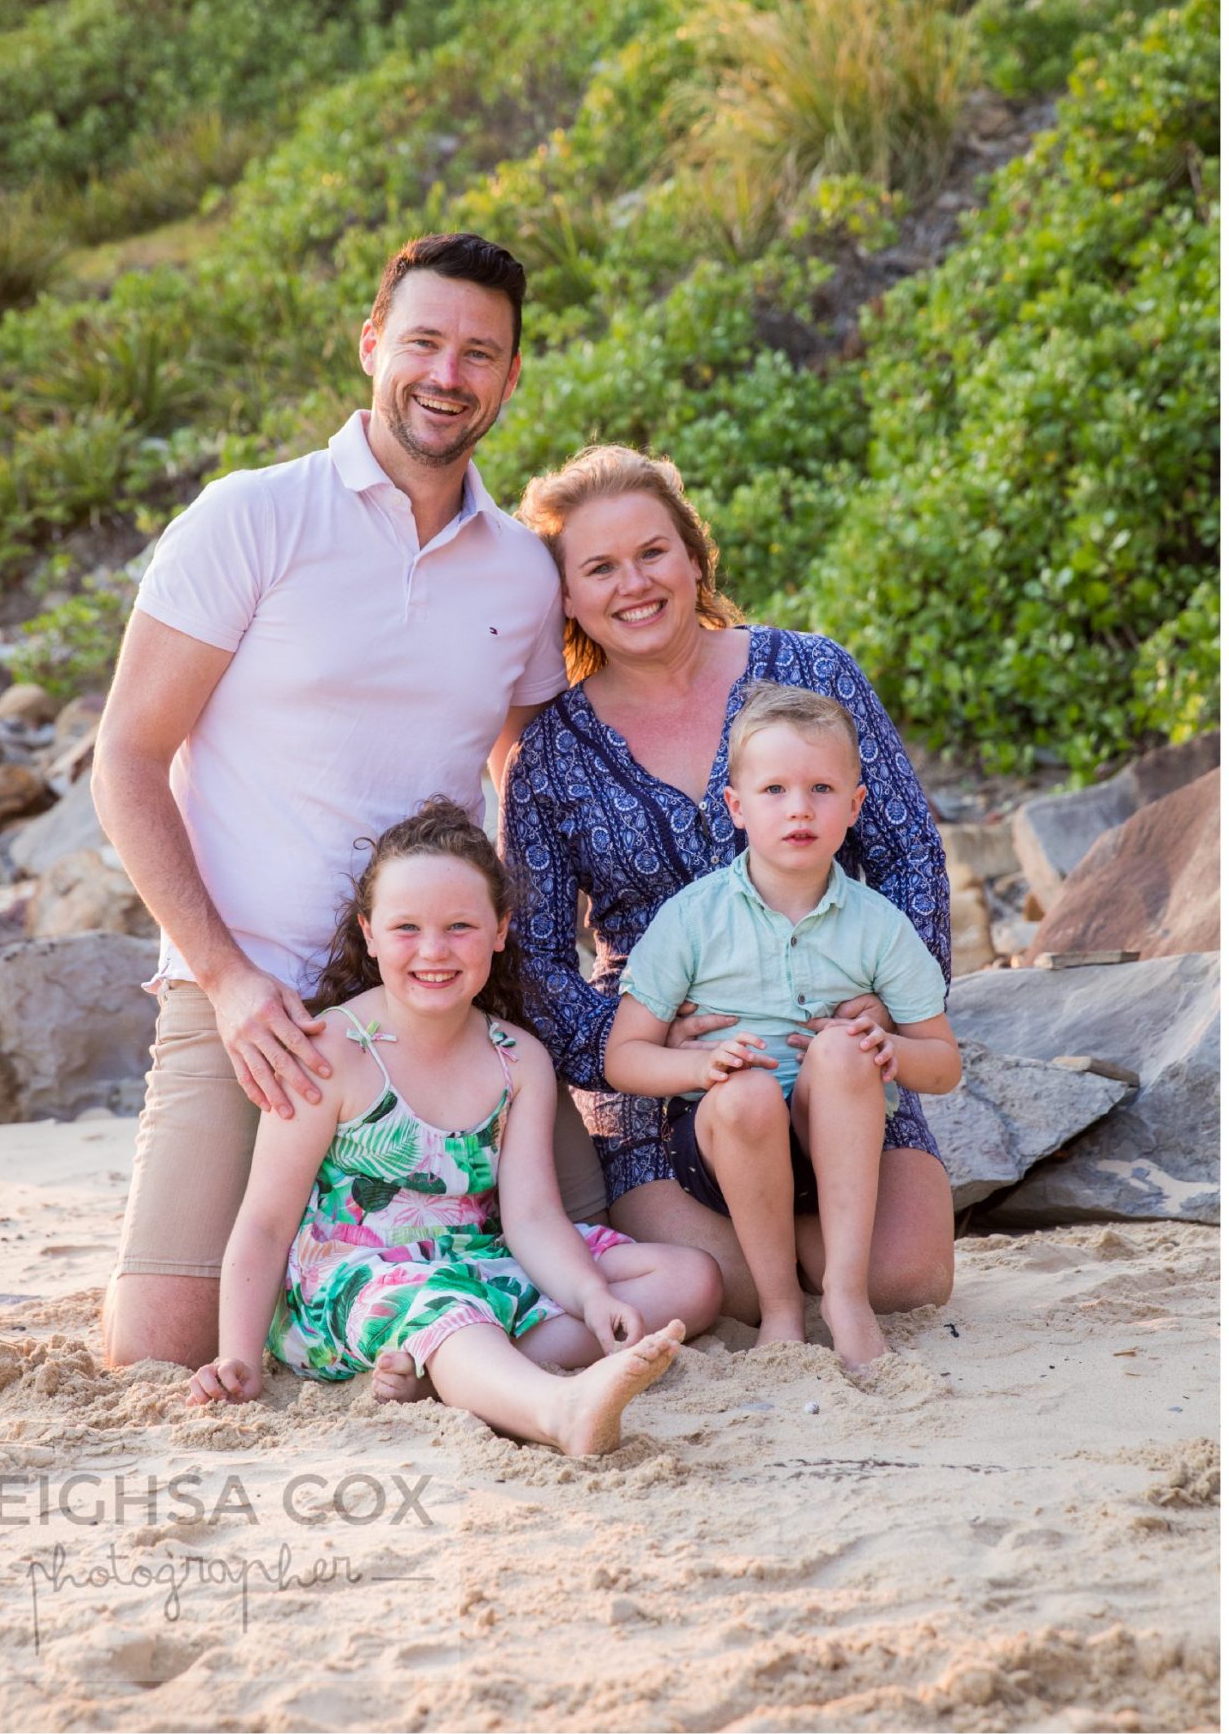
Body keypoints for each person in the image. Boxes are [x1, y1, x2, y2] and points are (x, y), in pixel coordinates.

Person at [94, 232, 574, 1373]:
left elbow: (531, 777)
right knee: (157, 1351)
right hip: (250, 1004)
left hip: (434, 1004)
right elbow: (125, 756)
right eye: (422, 342)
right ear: (371, 344)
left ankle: (372, 1287)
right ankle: (320, 1267)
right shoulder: (251, 517)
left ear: (508, 378)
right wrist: (223, 979)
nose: (446, 375)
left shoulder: (521, 570)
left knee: (598, 1267)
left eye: (478, 354)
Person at [499, 444, 956, 1329]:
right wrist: (650, 1045)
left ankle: (829, 1249)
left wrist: (888, 1006)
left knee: (911, 1277)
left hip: (832, 1044)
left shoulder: (814, 673)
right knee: (721, 1290)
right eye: (599, 567)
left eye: (653, 552)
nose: (633, 584)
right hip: (667, 1083)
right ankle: (793, 1268)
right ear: (566, 597)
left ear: (694, 557)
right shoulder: (550, 753)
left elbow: (907, 854)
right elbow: (537, 959)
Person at [185, 800, 713, 1454]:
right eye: (406, 927)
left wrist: (588, 1294)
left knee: (689, 1280)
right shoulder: (329, 1051)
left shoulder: (517, 1059)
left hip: (476, 1256)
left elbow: (533, 1218)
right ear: (369, 933)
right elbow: (265, 1222)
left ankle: (450, 1374)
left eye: (459, 926)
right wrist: (236, 1356)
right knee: (448, 1307)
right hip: (357, 1282)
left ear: (499, 930)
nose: (433, 951)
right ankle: (555, 1410)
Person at [604, 683, 961, 1367]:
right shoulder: (691, 918)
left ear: (855, 807)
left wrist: (889, 1049)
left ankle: (845, 1296)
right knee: (742, 1090)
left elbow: (944, 1064)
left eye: (822, 788)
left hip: (843, 1146)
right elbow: (625, 1056)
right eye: (774, 790)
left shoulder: (877, 924)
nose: (799, 808)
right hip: (727, 1146)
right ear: (735, 808)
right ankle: (780, 1308)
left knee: (843, 1051)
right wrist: (695, 1068)